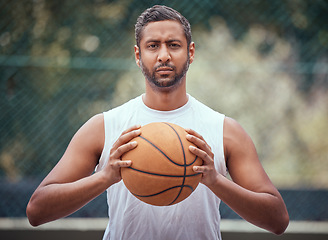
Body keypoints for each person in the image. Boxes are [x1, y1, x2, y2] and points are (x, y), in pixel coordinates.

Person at [26, 5, 289, 239]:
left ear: (191, 52)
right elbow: (37, 211)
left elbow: (277, 220)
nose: (163, 55)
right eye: (153, 46)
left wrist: (216, 181)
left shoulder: (224, 130)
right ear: (138, 55)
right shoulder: (103, 127)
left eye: (173, 45)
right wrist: (104, 177)